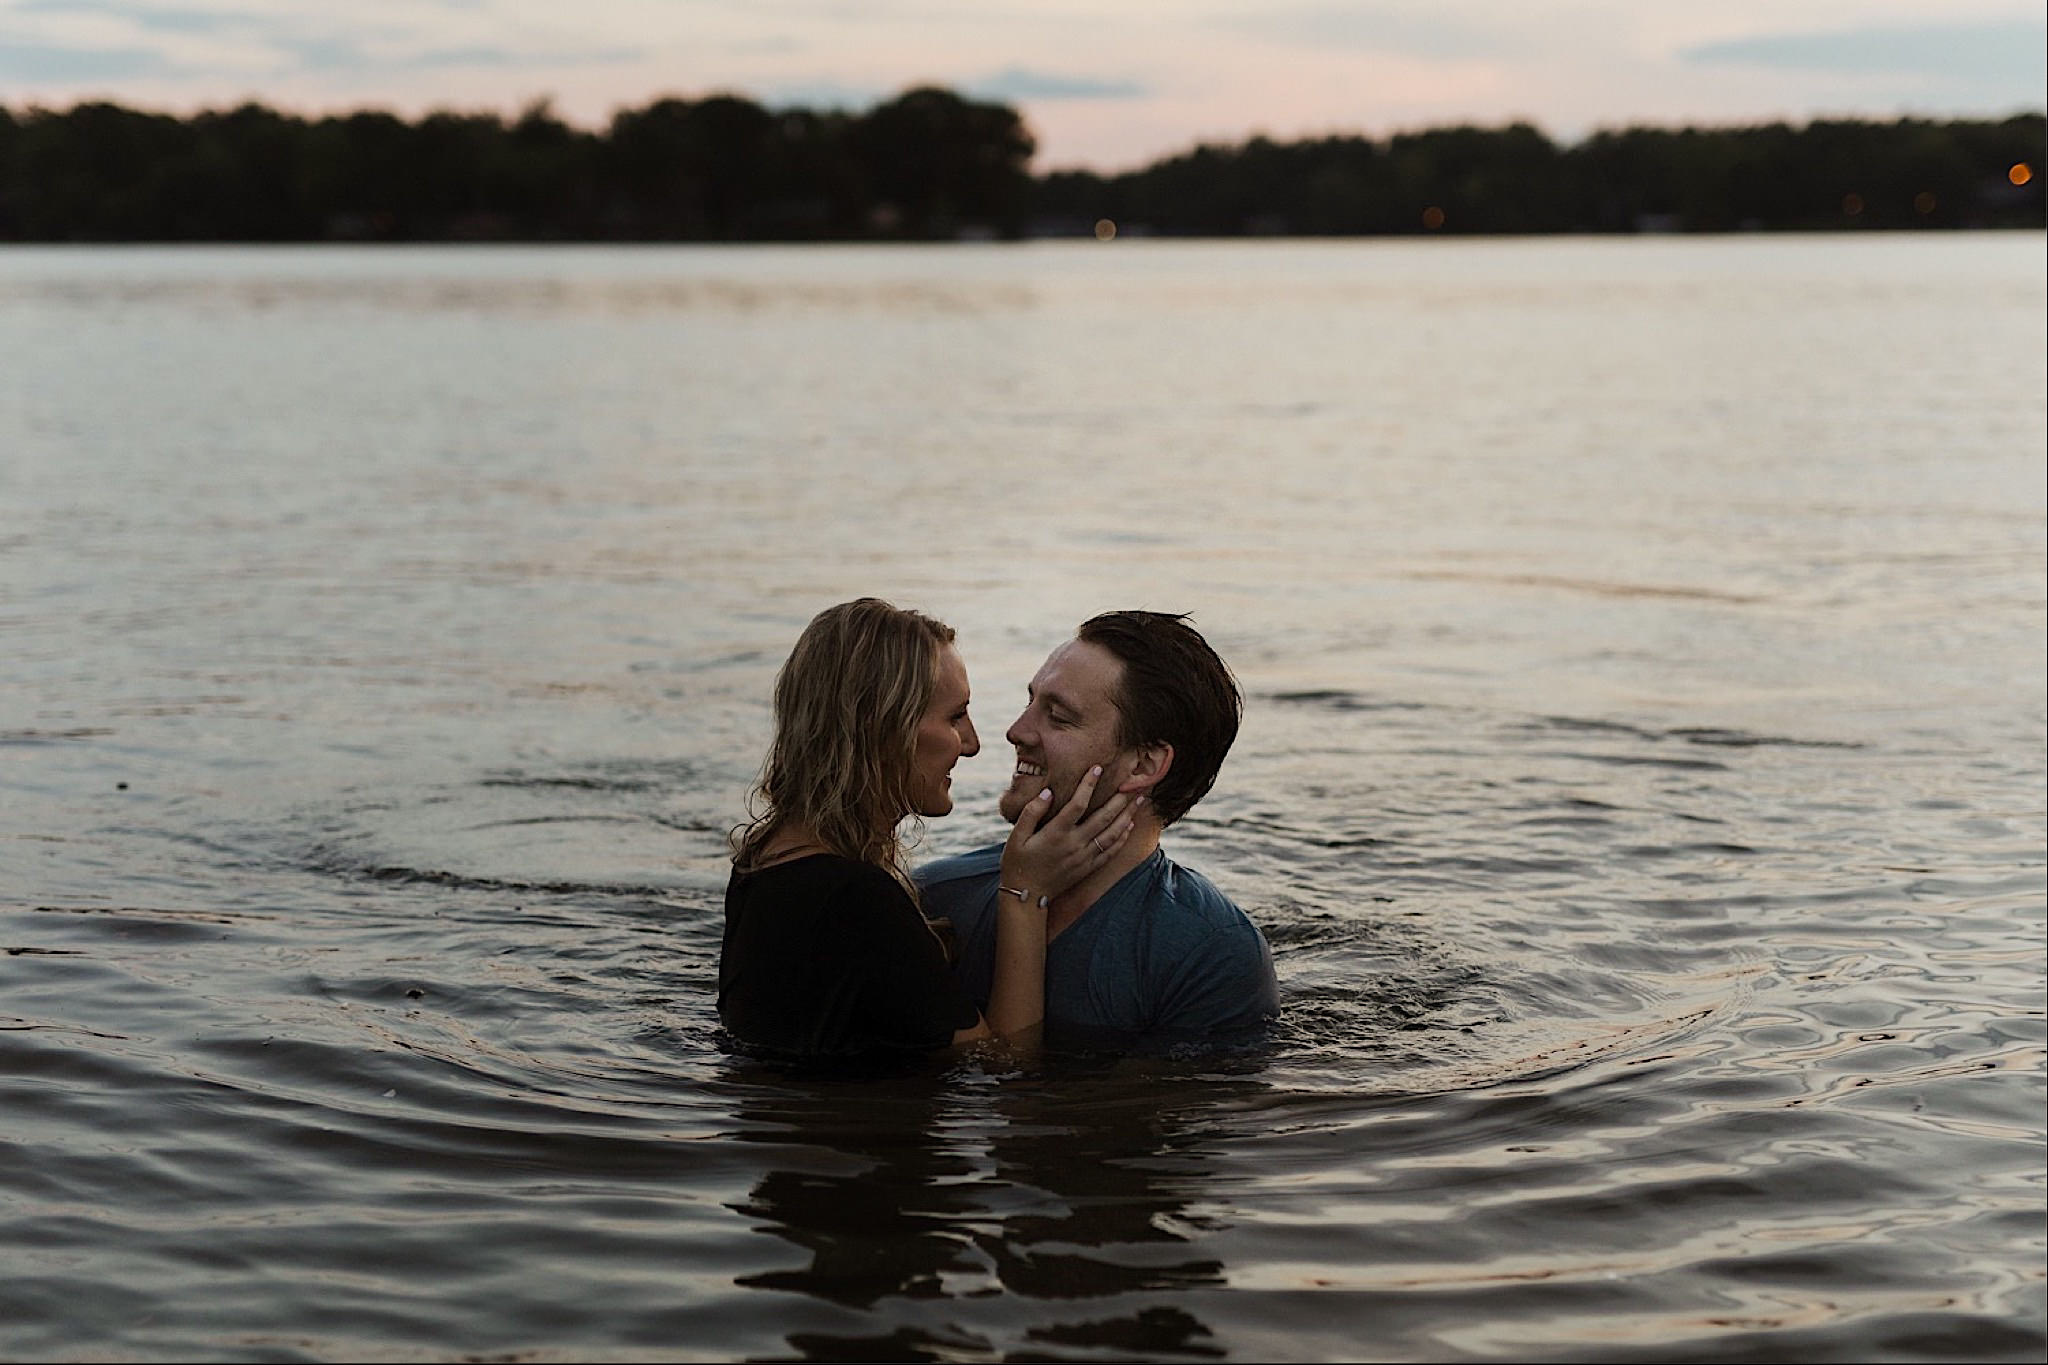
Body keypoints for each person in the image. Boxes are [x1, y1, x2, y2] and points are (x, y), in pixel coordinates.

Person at [719, 598, 1137, 1061]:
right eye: (955, 717)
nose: (973, 744)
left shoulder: (766, 858)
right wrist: (1026, 891)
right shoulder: (856, 898)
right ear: (884, 729)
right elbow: (1003, 1066)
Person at [917, 611, 1281, 1051]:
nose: (1016, 732)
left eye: (1059, 717)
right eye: (1030, 702)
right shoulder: (932, 897)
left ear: (1144, 765)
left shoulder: (1210, 956)